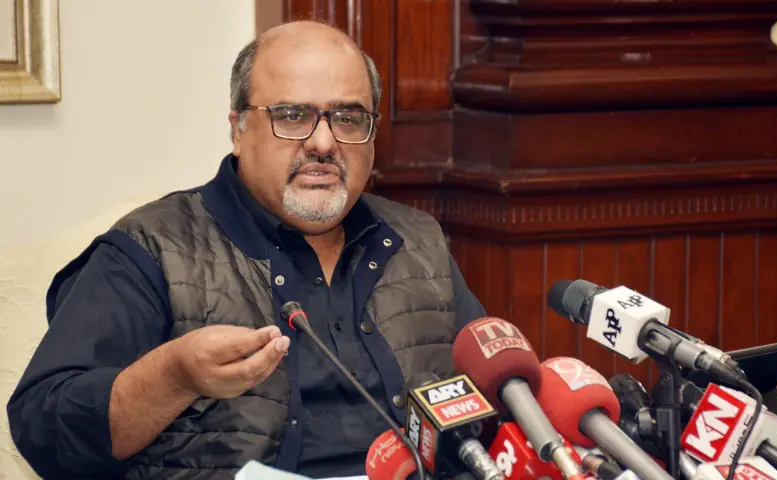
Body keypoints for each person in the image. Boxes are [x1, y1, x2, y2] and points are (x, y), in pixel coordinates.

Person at [7, 20, 486, 480]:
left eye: (347, 118)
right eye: (293, 116)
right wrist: (172, 377)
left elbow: (494, 402)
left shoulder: (418, 240)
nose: (323, 142)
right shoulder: (152, 249)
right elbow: (44, 429)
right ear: (238, 128)